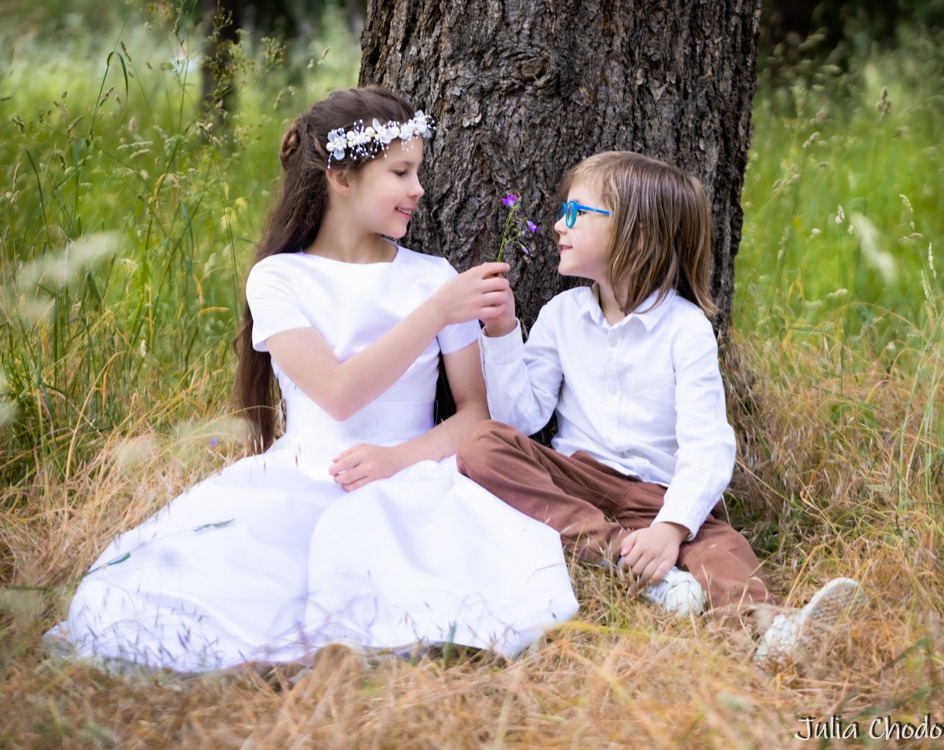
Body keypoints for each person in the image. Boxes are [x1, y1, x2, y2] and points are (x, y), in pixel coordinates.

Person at [47, 86, 578, 673]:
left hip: (414, 470)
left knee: (428, 592)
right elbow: (338, 392)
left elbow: (475, 415)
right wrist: (436, 312)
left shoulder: (433, 277)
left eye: (418, 171)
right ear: (341, 177)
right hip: (303, 471)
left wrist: (396, 460)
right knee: (211, 591)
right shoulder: (279, 279)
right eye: (400, 172)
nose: (418, 189)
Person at [457, 151, 862, 661]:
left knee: (722, 550)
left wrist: (671, 527)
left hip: (661, 494)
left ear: (637, 234)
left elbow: (707, 445)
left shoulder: (686, 330)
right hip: (578, 478)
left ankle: (771, 632)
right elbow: (521, 418)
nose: (561, 224)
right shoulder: (562, 314)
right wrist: (500, 333)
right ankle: (632, 566)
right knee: (482, 445)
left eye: (578, 214)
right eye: (565, 211)